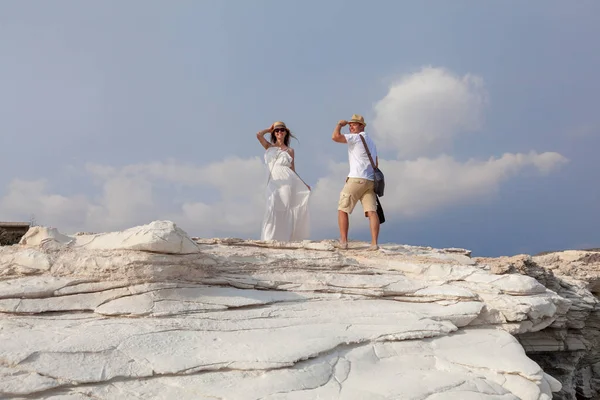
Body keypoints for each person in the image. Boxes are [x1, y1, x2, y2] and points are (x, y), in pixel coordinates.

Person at [256, 121, 311, 242]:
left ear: (286, 132)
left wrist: (303, 183)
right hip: (274, 180)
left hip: (288, 180)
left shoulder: (290, 151)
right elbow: (258, 135)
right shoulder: (269, 147)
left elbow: (292, 169)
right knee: (272, 205)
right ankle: (269, 238)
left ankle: (284, 238)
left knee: (285, 207)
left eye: (282, 130)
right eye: (277, 130)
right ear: (274, 133)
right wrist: (269, 129)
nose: (279, 132)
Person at [331, 114, 380, 250]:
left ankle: (344, 242)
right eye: (350, 124)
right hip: (370, 180)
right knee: (372, 211)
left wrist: (339, 125)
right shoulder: (371, 141)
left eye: (354, 124)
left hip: (357, 178)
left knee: (342, 208)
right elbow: (376, 162)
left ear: (362, 126)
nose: (351, 126)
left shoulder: (356, 137)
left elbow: (335, 137)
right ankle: (374, 243)